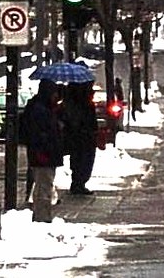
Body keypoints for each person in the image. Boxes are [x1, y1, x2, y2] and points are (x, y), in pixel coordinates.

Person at [23, 79, 64, 221]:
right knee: (43, 187)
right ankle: (42, 217)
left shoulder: (44, 108)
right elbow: (40, 134)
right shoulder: (40, 110)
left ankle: (42, 215)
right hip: (44, 155)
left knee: (44, 186)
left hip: (44, 154)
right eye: (54, 93)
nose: (56, 96)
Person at [61, 81, 98, 196]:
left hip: (77, 137)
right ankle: (79, 183)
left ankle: (77, 182)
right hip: (83, 137)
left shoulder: (70, 102)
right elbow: (89, 122)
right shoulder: (84, 104)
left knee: (78, 160)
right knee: (84, 161)